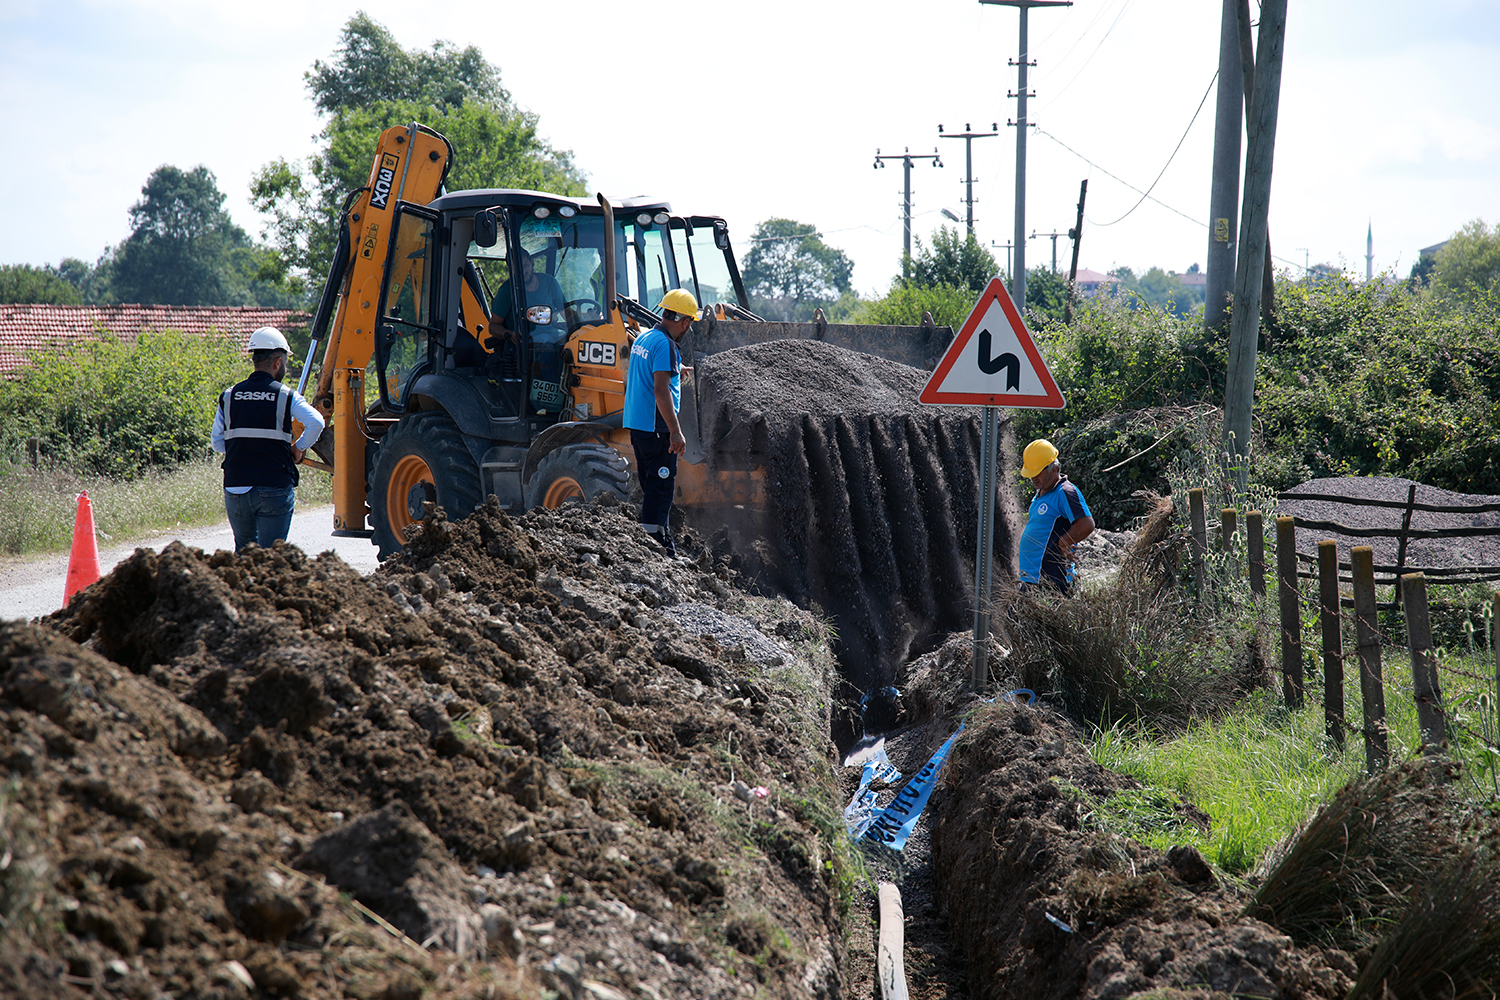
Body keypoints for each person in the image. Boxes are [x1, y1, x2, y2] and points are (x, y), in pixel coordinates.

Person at [211, 327, 325, 553]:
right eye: (285, 362)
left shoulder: (229, 395)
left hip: (236, 487)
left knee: (244, 555)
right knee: (271, 558)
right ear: (277, 362)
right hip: (274, 487)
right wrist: (299, 447)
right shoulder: (286, 395)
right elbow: (317, 422)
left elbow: (217, 443)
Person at [623, 288, 699, 556]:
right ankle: (658, 547)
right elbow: (660, 390)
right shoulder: (666, 345)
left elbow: (652, 373)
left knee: (651, 486)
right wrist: (676, 432)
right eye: (690, 323)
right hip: (657, 430)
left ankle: (651, 543)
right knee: (661, 489)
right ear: (685, 322)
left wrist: (677, 370)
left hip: (638, 427)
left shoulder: (645, 338)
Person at [1017, 438, 1095, 594]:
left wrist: (1063, 542)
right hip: (1035, 579)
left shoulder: (1065, 492)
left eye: (1037, 473)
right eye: (1031, 474)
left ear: (1054, 469)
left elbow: (1086, 524)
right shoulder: (1043, 491)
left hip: (1053, 581)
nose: (1033, 478)